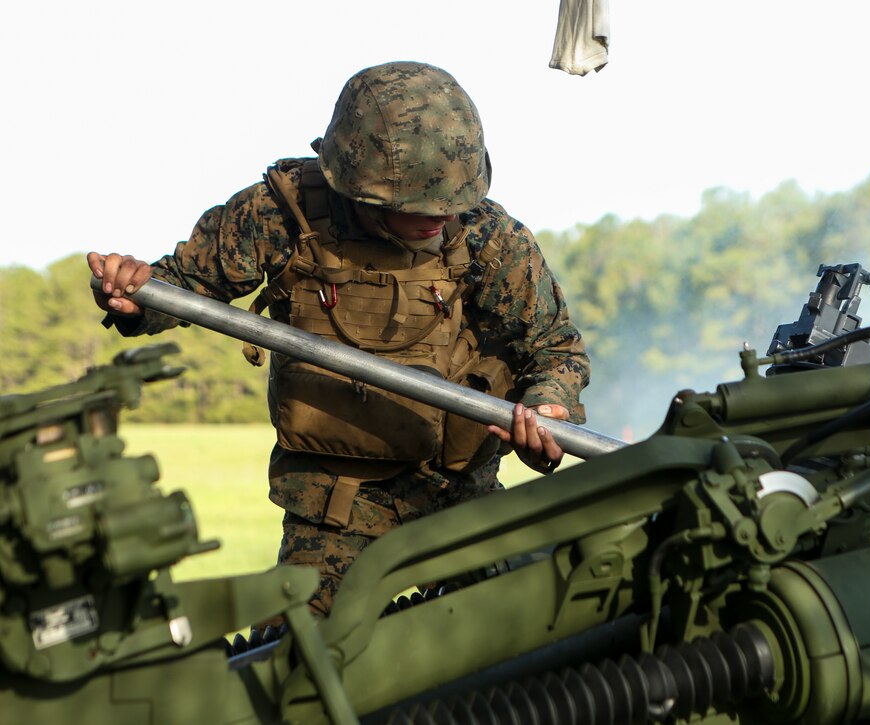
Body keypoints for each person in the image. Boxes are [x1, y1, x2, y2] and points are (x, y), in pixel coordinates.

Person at [88, 61, 590, 616]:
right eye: (417, 205)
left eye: (451, 202)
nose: (440, 218)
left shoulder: (491, 236)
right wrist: (135, 296)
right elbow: (181, 286)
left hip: (458, 498)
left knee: (532, 646)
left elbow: (554, 347)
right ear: (357, 186)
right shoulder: (282, 214)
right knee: (303, 674)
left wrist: (548, 405)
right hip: (332, 509)